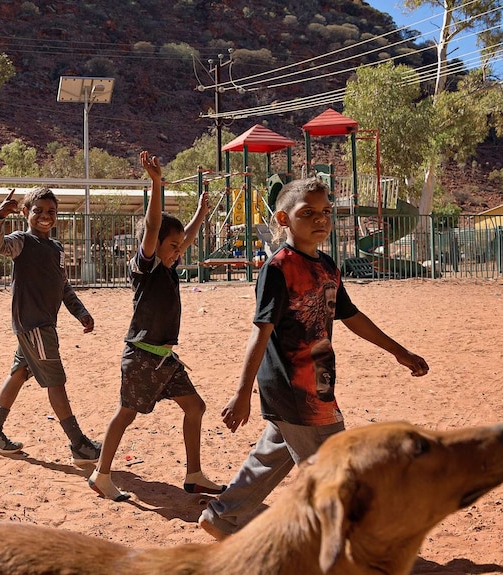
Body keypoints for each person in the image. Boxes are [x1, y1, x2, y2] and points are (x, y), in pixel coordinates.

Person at [198, 176, 429, 539]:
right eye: (308, 213)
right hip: (294, 385)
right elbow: (261, 331)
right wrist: (242, 394)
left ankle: (223, 516)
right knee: (334, 462)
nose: (320, 219)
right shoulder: (278, 268)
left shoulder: (326, 265)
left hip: (316, 379)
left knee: (273, 454)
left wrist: (399, 352)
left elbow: (351, 316)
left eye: (326, 212)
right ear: (283, 219)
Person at [88, 151, 225, 502]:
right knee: (126, 414)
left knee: (195, 407)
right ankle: (101, 475)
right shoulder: (145, 266)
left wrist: (200, 214)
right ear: (153, 245)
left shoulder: (168, 266)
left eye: (179, 246)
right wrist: (155, 185)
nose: (179, 251)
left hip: (164, 359)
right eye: (172, 245)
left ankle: (194, 475)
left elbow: (187, 238)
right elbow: (152, 228)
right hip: (141, 357)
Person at [0, 187, 102, 465]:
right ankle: (79, 444)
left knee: (20, 372)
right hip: (35, 325)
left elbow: (63, 286)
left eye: (50, 212)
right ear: (25, 213)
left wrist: (80, 311)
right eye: (38, 211)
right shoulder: (22, 242)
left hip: (41, 325)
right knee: (56, 381)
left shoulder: (56, 249)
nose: (45, 216)